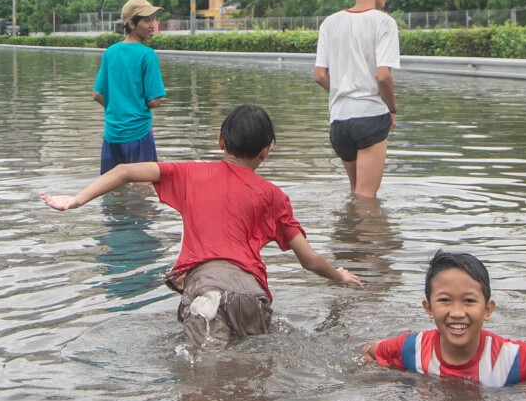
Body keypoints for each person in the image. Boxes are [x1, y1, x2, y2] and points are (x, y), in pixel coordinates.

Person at [41, 104, 364, 350]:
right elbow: (309, 260)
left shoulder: (190, 174)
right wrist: (341, 276)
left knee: (204, 377)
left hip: (207, 289)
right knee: (255, 368)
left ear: (220, 139)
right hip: (253, 294)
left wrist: (76, 200)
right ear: (266, 152)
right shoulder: (274, 196)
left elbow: (125, 170)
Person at [362, 250, 526, 387]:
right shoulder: (411, 348)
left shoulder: (511, 358)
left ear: (487, 310)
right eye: (445, 300)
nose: (457, 312)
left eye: (469, 301)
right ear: (429, 308)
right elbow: (371, 350)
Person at [314, 0, 401, 197]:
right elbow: (383, 76)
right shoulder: (384, 22)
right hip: (369, 117)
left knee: (355, 193)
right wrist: (392, 109)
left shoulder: (330, 23)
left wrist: (345, 91)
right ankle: (366, 234)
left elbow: (320, 75)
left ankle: (347, 235)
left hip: (339, 121)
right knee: (367, 198)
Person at [92, 0, 167, 174]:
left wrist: (118, 107)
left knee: (111, 189)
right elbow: (155, 101)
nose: (152, 25)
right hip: (139, 133)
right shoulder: (148, 55)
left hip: (112, 134)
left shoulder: (110, 52)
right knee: (142, 190)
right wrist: (135, 104)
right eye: (147, 20)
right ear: (131, 24)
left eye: (153, 19)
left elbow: (97, 94)